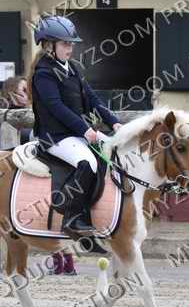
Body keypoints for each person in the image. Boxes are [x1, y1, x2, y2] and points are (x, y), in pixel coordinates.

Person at [29, 15, 122, 239]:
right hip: (54, 137)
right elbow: (56, 107)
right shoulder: (43, 74)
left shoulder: (71, 68)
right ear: (49, 45)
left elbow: (92, 98)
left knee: (111, 151)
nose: (70, 48)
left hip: (75, 135)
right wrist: (85, 130)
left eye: (71, 44)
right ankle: (71, 219)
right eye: (65, 44)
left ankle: (96, 215)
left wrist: (114, 122)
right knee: (87, 162)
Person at [0, 75, 79, 276]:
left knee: (51, 210)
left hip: (37, 168)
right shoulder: (1, 115)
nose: (27, 95)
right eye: (23, 91)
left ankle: (65, 262)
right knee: (2, 218)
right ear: (11, 92)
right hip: (12, 172)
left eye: (28, 91)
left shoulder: (35, 112)